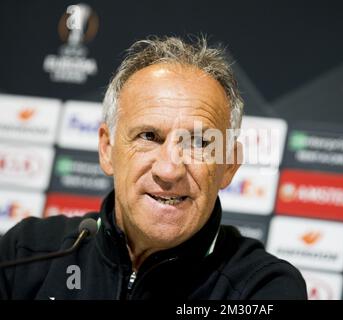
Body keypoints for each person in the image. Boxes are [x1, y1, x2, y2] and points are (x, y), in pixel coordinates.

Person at [0, 36, 307, 300]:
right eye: (148, 136)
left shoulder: (263, 287)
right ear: (107, 149)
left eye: (199, 143)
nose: (169, 170)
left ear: (229, 165)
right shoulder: (27, 252)